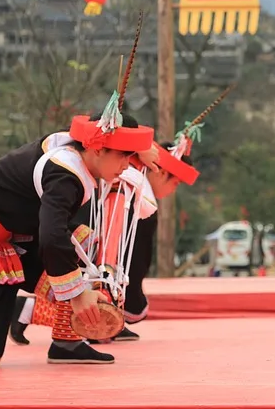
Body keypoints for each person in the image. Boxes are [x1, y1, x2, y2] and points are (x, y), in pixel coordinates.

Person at [0, 106, 155, 367]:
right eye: (123, 156)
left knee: (81, 242)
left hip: (14, 238)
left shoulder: (74, 149)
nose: (126, 165)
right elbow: (51, 236)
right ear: (97, 149)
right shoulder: (64, 173)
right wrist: (78, 294)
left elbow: (56, 234)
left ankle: (67, 343)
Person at [10, 138, 197, 347]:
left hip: (54, 240)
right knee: (105, 308)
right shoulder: (123, 187)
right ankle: (31, 311)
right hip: (60, 247)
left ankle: (37, 312)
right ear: (161, 172)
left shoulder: (106, 175)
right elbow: (134, 260)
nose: (173, 190)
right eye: (175, 183)